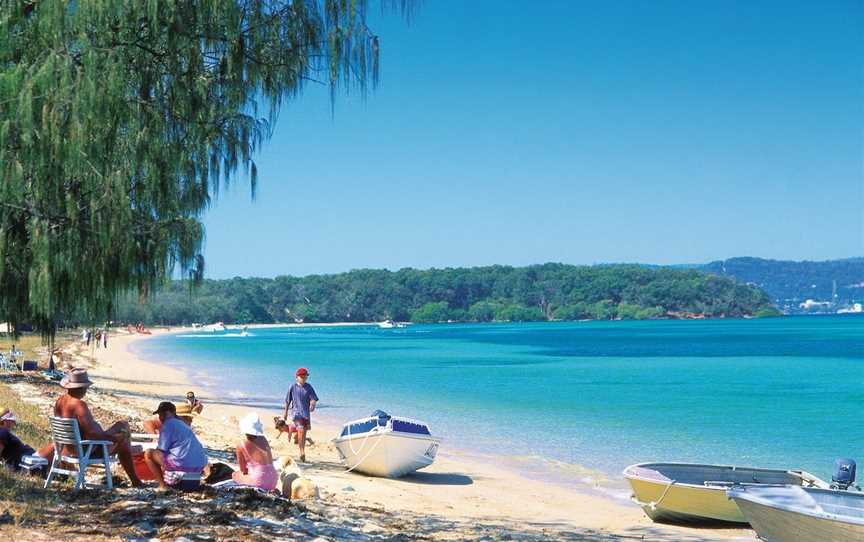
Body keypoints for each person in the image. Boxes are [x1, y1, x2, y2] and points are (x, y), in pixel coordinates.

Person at [44, 369, 143, 487]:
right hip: (86, 450)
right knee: (124, 441)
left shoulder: (60, 402)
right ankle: (135, 481)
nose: (86, 389)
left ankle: (135, 474)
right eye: (85, 387)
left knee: (122, 424)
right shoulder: (79, 405)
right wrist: (115, 438)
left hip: (68, 449)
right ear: (81, 388)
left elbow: (87, 431)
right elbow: (93, 435)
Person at [143, 402, 208, 491]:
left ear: (171, 413)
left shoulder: (168, 424)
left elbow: (160, 451)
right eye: (160, 415)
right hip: (195, 474)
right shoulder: (185, 427)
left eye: (163, 414)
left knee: (149, 453)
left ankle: (163, 487)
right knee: (187, 489)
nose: (161, 417)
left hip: (180, 471)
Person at [232, 413, 278, 491]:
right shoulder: (263, 438)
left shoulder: (241, 445)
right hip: (273, 478)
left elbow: (243, 470)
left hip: (258, 481)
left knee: (235, 475)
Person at [282, 367, 318, 463]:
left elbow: (313, 398)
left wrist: (313, 404)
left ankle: (302, 449)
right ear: (297, 377)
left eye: (305, 376)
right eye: (301, 376)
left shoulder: (309, 387)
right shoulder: (292, 387)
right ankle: (302, 452)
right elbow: (287, 401)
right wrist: (285, 413)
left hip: (306, 414)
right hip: (296, 413)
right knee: (301, 430)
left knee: (303, 432)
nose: (304, 378)